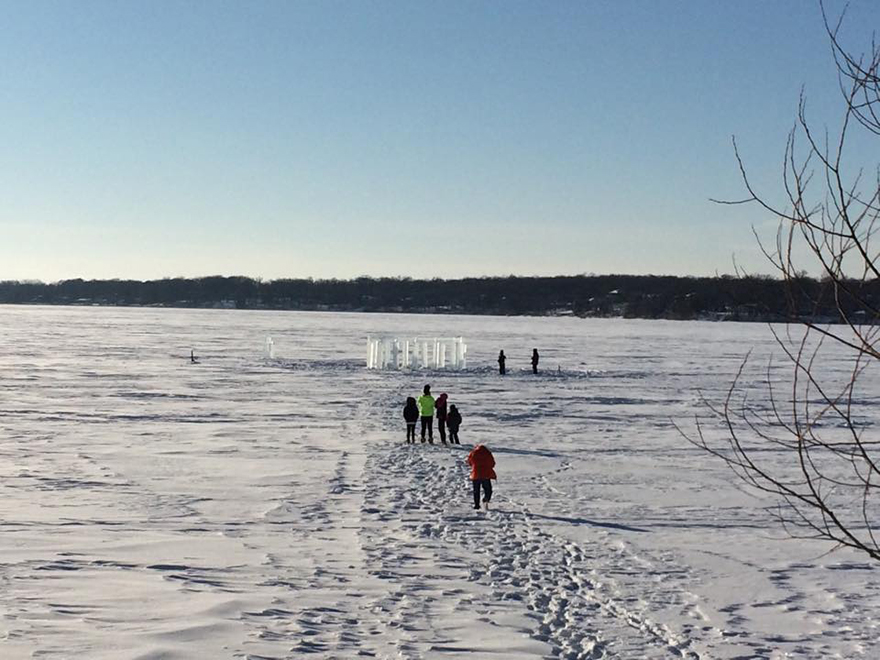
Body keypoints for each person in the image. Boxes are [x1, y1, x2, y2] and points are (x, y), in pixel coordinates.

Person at [467, 443, 496, 510]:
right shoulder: (488, 453)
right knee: (488, 489)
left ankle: (476, 505)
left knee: (476, 490)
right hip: (485, 474)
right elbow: (492, 463)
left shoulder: (473, 453)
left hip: (476, 474)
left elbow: (469, 462)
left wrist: (474, 467)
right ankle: (486, 499)